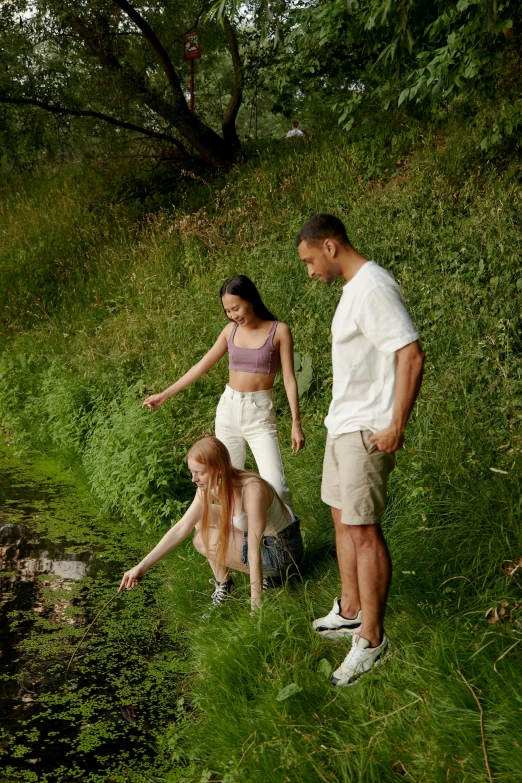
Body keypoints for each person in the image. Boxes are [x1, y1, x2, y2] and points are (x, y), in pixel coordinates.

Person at [296, 214, 424, 687]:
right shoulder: (353, 289)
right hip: (342, 423)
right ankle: (351, 610)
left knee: (363, 529)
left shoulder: (372, 287)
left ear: (330, 247)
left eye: (310, 261)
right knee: (339, 513)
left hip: (367, 429)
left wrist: (396, 425)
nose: (310, 272)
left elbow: (410, 353)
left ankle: (371, 639)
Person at [142, 275, 305, 507]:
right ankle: (238, 539)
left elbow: (289, 379)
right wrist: (164, 394)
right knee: (225, 484)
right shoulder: (230, 331)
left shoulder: (279, 331)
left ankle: (286, 541)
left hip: (259, 414)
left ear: (251, 300)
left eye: (236, 308)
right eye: (228, 311)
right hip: (228, 410)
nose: (233, 315)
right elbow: (201, 366)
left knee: (277, 486)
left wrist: (296, 423)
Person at [118, 436, 303, 610]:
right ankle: (225, 585)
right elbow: (182, 527)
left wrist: (256, 609)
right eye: (192, 472)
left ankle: (273, 576)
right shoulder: (210, 487)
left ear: (218, 469)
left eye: (200, 473)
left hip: (281, 552)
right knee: (201, 518)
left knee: (202, 539)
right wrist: (141, 567)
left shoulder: (252, 490)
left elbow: (254, 552)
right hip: (262, 541)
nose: (193, 479)